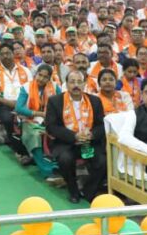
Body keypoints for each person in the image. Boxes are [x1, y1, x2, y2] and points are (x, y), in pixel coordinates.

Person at [44, 70, 107, 203]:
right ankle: (73, 189)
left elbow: (102, 125)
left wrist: (92, 134)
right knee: (65, 159)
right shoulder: (55, 101)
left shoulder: (95, 101)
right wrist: (74, 136)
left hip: (88, 143)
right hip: (66, 143)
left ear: (85, 84)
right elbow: (51, 126)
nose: (76, 85)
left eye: (79, 82)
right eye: (72, 82)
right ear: (66, 84)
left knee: (102, 161)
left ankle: (88, 190)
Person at [0, 42, 33, 162]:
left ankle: (33, 150)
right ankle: (21, 152)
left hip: (24, 103)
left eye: (8, 53)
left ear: (13, 54)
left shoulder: (25, 70)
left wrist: (21, 104)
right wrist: (6, 102)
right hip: (4, 104)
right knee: (8, 120)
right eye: (2, 54)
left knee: (31, 121)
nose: (5, 56)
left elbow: (32, 89)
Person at [14, 64, 61, 178]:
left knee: (60, 133)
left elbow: (62, 105)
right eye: (40, 75)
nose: (41, 79)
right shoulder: (26, 87)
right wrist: (39, 114)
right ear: (35, 74)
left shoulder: (55, 88)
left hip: (50, 120)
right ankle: (46, 170)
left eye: (45, 77)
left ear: (49, 78)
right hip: (29, 120)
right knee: (35, 135)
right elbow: (19, 108)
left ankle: (57, 165)